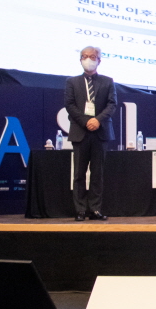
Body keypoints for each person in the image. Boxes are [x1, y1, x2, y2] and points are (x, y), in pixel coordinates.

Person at [64, 46, 118, 221]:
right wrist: (86, 121)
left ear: (99, 60)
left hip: (100, 132)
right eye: (85, 56)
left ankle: (95, 209)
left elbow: (112, 104)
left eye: (92, 57)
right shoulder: (72, 82)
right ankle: (80, 210)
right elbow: (69, 105)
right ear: (80, 59)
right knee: (79, 174)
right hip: (80, 131)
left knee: (97, 174)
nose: (88, 59)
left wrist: (97, 120)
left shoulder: (108, 81)